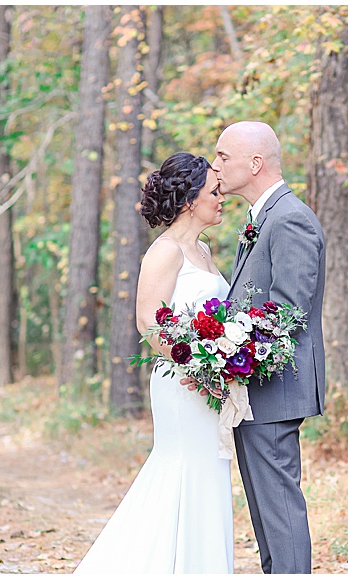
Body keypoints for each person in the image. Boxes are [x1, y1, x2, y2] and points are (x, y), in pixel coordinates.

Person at [75, 152, 234, 574]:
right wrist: (200, 365)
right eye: (214, 192)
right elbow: (149, 321)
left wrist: (226, 360)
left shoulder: (202, 248)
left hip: (210, 384)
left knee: (208, 473)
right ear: (188, 201)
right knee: (181, 468)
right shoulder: (165, 252)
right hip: (184, 385)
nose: (222, 199)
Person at [188, 121, 326, 574]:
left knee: (279, 508)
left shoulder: (290, 219)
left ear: (255, 163)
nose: (216, 165)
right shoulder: (262, 219)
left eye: (223, 156)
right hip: (255, 387)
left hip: (274, 388)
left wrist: (231, 356)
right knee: (266, 511)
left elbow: (288, 311)